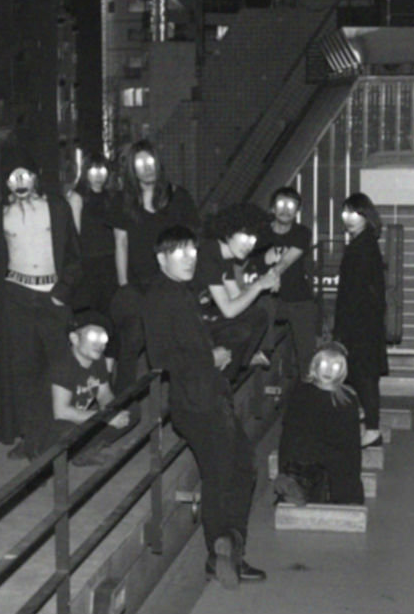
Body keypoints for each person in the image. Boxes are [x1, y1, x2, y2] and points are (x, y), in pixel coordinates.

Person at [142, 225, 266, 590]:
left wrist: (216, 350)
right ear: (161, 258)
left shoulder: (178, 292)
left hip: (207, 397)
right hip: (198, 402)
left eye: (193, 252)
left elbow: (187, 342)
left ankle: (227, 545)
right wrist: (209, 357)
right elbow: (161, 357)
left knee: (240, 468)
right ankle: (222, 550)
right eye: (180, 253)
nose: (190, 259)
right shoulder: (162, 297)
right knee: (224, 475)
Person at [0, 166, 81, 460]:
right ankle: (31, 437)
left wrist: (62, 292)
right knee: (23, 371)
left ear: (35, 177)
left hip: (52, 297)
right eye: (14, 177)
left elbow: (74, 255)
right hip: (17, 298)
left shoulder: (57, 208)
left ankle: (67, 437)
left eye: (25, 176)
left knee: (61, 369)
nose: (20, 182)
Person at [106, 139, 200, 393]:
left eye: (150, 162)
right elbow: (121, 243)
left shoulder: (178, 197)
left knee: (177, 338)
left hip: (170, 281)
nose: (147, 168)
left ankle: (183, 395)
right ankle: (122, 399)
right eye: (140, 164)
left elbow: (192, 239)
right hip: (138, 283)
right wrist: (124, 285)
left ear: (158, 163)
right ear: (132, 169)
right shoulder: (123, 201)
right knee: (133, 338)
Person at [192, 204, 280, 382]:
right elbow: (229, 310)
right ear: (228, 231)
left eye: (253, 239)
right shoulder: (209, 253)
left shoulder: (225, 257)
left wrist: (264, 281)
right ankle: (223, 378)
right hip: (188, 322)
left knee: (259, 315)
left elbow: (236, 297)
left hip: (203, 315)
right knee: (242, 330)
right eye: (245, 236)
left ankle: (240, 364)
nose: (249, 245)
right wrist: (258, 286)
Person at [275, 342, 364, 505]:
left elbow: (352, 445)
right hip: (307, 460)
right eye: (324, 364)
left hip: (336, 462)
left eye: (335, 366)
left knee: (340, 473)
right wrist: (283, 471)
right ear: (315, 365)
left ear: (342, 370)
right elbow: (289, 435)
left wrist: (355, 487)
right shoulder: (301, 393)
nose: (329, 370)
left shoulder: (347, 399)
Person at [333, 192, 389, 448]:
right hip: (364, 321)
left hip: (360, 322)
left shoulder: (362, 246)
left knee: (364, 374)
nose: (348, 218)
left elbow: (356, 292)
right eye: (345, 212)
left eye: (354, 213)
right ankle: (369, 419)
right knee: (362, 374)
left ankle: (373, 429)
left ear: (366, 216)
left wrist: (343, 329)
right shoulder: (364, 243)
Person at [43, 310, 132, 466]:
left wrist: (113, 411)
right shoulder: (63, 365)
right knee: (68, 431)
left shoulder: (97, 359)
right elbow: (61, 412)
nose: (100, 344)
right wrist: (106, 417)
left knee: (132, 409)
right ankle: (79, 450)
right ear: (74, 339)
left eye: (103, 338)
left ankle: (85, 449)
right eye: (92, 337)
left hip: (79, 417)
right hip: (51, 425)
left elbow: (104, 394)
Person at [258, 187, 320, 380]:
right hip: (268, 299)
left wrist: (274, 273)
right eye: (281, 204)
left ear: (297, 210)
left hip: (299, 299)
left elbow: (286, 261)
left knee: (307, 355)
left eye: (291, 205)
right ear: (272, 208)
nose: (285, 210)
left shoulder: (302, 232)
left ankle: (309, 388)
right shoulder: (260, 233)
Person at [66, 153, 119, 320]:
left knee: (109, 311)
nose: (98, 176)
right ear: (85, 172)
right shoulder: (77, 197)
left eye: (102, 170)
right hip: (87, 263)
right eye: (93, 171)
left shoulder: (111, 197)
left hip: (109, 262)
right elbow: (74, 234)